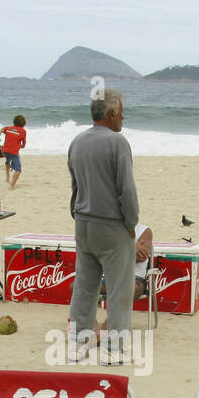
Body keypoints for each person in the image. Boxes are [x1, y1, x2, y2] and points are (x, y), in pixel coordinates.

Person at [67, 88, 138, 360]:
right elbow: (126, 191)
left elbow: (74, 187)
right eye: (121, 111)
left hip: (83, 222)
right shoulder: (118, 143)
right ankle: (114, 349)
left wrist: (78, 214)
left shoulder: (77, 141)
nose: (123, 116)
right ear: (110, 114)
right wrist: (131, 223)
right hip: (111, 224)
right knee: (121, 287)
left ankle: (78, 344)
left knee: (85, 285)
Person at [0, 114, 27, 189]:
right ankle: (12, 185)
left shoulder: (8, 128)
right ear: (23, 124)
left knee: (8, 160)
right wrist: (22, 146)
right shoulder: (23, 131)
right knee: (18, 170)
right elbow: (24, 143)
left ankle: (7, 177)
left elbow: (1, 130)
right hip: (13, 152)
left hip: (4, 151)